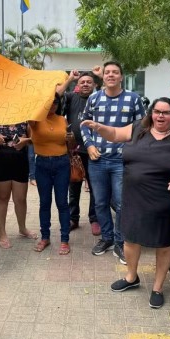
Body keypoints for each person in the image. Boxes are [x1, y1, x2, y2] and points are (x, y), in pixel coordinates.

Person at [82, 97, 170, 309]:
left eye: (166, 112)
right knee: (130, 240)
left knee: (164, 244)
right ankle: (131, 277)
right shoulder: (139, 128)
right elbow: (114, 134)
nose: (160, 116)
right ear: (151, 113)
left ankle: (157, 287)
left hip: (165, 200)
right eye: (157, 111)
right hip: (133, 197)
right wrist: (99, 127)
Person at [81, 61, 145, 264]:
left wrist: (133, 151)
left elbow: (142, 128)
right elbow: (84, 124)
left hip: (121, 160)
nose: (110, 75)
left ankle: (120, 241)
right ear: (103, 77)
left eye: (115, 72)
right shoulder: (93, 98)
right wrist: (89, 145)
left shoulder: (133, 99)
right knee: (100, 202)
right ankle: (107, 238)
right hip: (97, 160)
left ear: (121, 76)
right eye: (107, 72)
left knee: (121, 203)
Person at [57, 69, 102, 235]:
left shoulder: (99, 99)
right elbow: (56, 95)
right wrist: (69, 79)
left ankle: (95, 218)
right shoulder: (70, 97)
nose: (85, 84)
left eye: (89, 82)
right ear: (77, 85)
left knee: (95, 186)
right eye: (82, 82)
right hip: (74, 151)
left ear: (95, 85)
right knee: (74, 185)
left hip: (94, 150)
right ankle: (73, 218)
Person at [29, 94, 72, 255]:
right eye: (49, 102)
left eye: (55, 102)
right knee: (44, 202)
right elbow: (29, 115)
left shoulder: (63, 119)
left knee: (62, 202)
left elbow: (70, 145)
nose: (52, 105)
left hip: (62, 163)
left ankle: (64, 239)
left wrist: (71, 138)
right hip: (42, 164)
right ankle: (45, 237)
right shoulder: (35, 120)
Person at [0, 122, 37, 249]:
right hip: (0, 160)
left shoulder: (26, 118)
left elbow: (34, 139)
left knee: (20, 198)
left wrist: (26, 140)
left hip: (20, 160)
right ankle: (2, 233)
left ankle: (22, 228)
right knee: (2, 198)